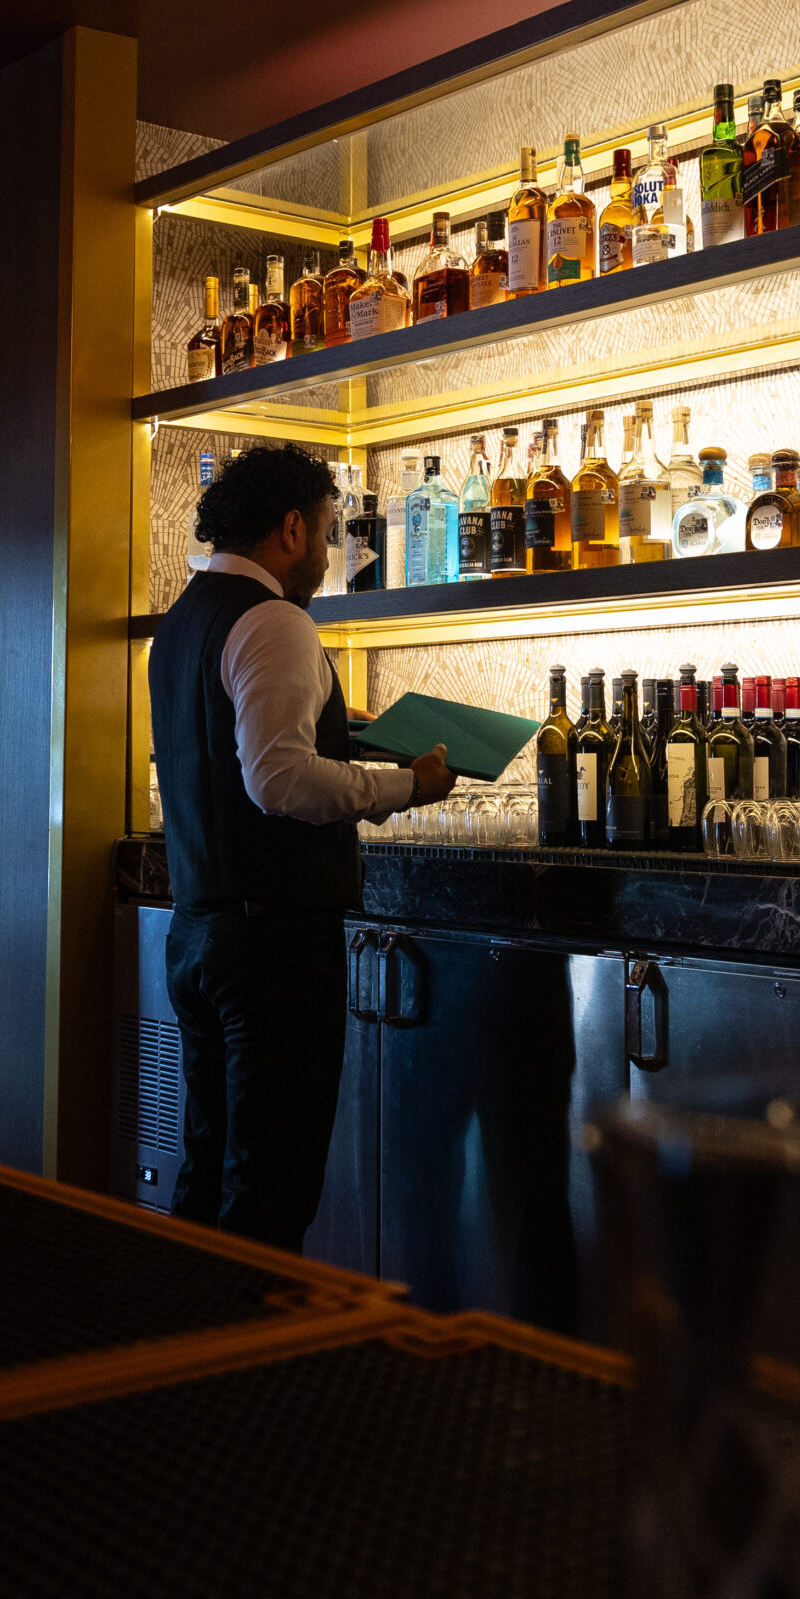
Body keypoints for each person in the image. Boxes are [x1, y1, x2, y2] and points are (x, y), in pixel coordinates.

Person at [148, 444, 455, 1250]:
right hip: (271, 946)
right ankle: (255, 1366)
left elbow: (234, 745)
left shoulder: (182, 621)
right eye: (324, 535)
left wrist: (338, 730)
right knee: (269, 1192)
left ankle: (187, 1357)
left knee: (209, 1172)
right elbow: (279, 782)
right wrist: (407, 788)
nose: (325, 556)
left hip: (197, 935)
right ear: (290, 529)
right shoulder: (274, 619)